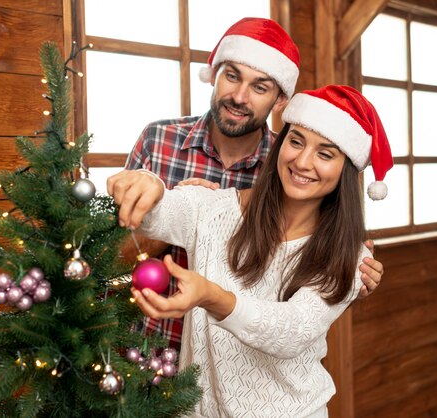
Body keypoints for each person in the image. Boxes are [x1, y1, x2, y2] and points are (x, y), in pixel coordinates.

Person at [108, 85, 393, 418]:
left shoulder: (352, 256)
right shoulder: (214, 208)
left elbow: (291, 331)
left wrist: (211, 296)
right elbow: (161, 214)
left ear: (345, 170)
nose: (302, 161)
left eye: (325, 154)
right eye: (296, 141)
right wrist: (148, 184)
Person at [122, 17, 384, 350]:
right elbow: (113, 256)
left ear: (279, 101)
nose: (240, 96)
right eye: (232, 76)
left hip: (238, 357)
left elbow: (304, 304)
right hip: (148, 346)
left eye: (260, 87)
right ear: (214, 75)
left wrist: (352, 280)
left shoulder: (292, 173)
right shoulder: (158, 140)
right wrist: (166, 206)